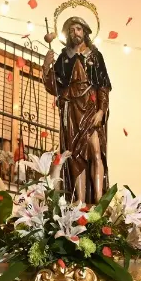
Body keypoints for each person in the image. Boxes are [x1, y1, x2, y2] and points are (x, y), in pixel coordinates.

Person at [42, 15, 111, 204]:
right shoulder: (65, 57)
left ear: (85, 32)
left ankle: (98, 198)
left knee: (95, 151)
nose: (75, 33)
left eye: (78, 29)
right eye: (71, 30)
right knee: (75, 156)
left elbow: (103, 86)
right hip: (71, 109)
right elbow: (54, 87)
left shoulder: (95, 56)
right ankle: (80, 201)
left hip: (89, 106)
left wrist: (101, 111)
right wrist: (47, 66)